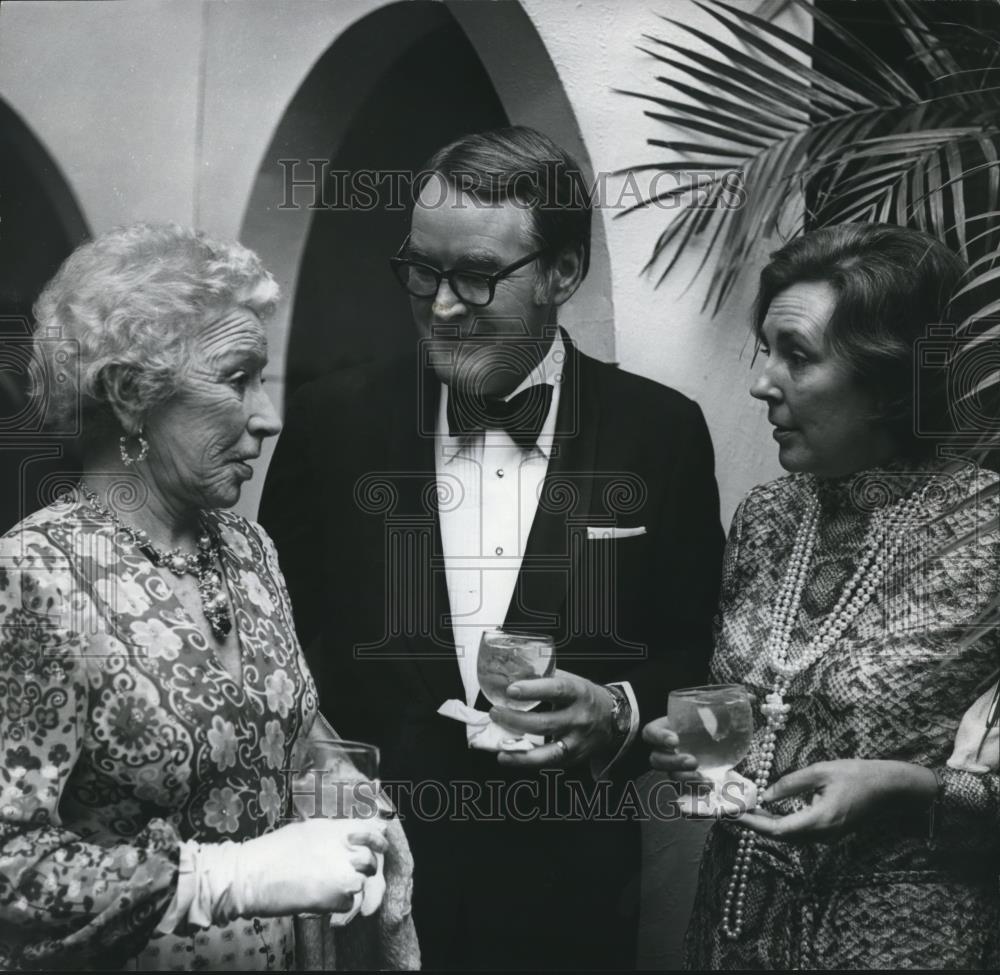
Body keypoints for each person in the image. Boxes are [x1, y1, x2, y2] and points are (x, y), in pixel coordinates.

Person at [260, 126, 725, 969]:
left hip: (569, 901)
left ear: (562, 274)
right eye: (421, 271)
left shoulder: (661, 432)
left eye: (476, 277)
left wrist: (618, 708)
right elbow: (272, 645)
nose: (441, 305)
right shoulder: (334, 421)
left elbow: (699, 650)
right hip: (365, 885)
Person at [0, 224, 414, 971]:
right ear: (132, 394)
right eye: (237, 377)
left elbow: (279, 726)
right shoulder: (36, 577)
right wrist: (229, 879)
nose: (268, 415)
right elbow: (10, 872)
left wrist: (335, 784)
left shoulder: (251, 551)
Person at [644, 224, 1000, 969]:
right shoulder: (768, 516)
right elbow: (745, 705)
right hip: (730, 935)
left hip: (902, 947)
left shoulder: (987, 531)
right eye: (765, 350)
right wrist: (697, 746)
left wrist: (911, 788)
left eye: (796, 356)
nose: (762, 381)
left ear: (889, 380)